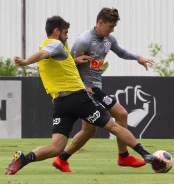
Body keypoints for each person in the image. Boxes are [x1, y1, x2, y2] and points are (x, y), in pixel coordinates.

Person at [5, 15, 165, 175]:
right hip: (78, 98)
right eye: (65, 32)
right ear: (56, 31)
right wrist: (25, 62)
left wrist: (73, 60)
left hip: (61, 104)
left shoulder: (56, 49)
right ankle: (144, 154)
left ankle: (23, 159)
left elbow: (51, 58)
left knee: (56, 147)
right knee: (113, 125)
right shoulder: (55, 44)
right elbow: (42, 54)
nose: (67, 36)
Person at [52, 7, 156, 172]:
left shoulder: (109, 40)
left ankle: (61, 159)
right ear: (100, 22)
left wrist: (138, 57)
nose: (112, 30)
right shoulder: (83, 41)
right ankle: (124, 156)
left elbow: (121, 52)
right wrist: (82, 86)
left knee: (89, 130)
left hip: (95, 88)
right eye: (110, 26)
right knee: (121, 115)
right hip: (86, 90)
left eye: (114, 27)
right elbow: (68, 66)